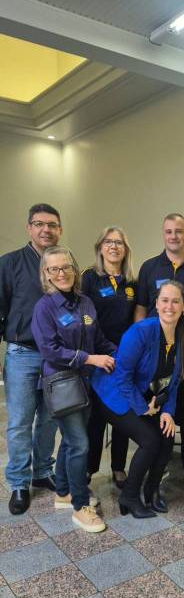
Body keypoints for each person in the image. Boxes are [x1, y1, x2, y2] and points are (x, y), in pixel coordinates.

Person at [92, 281, 184, 518]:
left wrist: (167, 411)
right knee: (150, 439)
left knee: (167, 435)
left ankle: (151, 490)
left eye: (175, 301)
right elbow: (121, 376)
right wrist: (142, 408)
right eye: (164, 300)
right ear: (156, 304)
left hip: (139, 393)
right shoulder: (141, 331)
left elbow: (174, 382)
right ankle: (129, 496)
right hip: (113, 394)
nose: (169, 306)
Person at [31, 246, 116, 533]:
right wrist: (90, 359)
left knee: (70, 441)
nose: (61, 273)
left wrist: (122, 354)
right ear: (46, 274)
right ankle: (80, 507)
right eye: (54, 269)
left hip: (86, 383)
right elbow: (50, 350)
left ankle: (64, 492)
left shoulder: (86, 303)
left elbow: (99, 340)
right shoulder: (44, 308)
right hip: (61, 384)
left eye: (66, 267)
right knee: (80, 443)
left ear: (75, 269)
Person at [135, 213, 184, 489]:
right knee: (153, 411)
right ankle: (158, 465)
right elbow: (141, 308)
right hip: (153, 357)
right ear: (163, 234)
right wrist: (140, 346)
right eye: (168, 231)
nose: (173, 236)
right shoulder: (149, 267)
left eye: (179, 231)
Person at [0, 203, 62, 515]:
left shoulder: (63, 264)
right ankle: (19, 482)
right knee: (20, 422)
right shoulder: (9, 263)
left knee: (50, 419)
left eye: (51, 225)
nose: (45, 230)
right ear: (29, 228)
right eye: (39, 224)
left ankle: (42, 471)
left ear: (60, 230)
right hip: (22, 354)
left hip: (56, 358)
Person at [81, 226, 137, 489]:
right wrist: (97, 354)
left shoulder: (132, 283)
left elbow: (136, 321)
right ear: (100, 247)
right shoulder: (89, 278)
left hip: (124, 358)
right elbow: (84, 318)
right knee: (96, 417)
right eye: (108, 242)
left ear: (125, 249)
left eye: (119, 242)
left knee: (121, 415)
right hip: (97, 357)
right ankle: (89, 468)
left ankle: (118, 468)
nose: (114, 246)